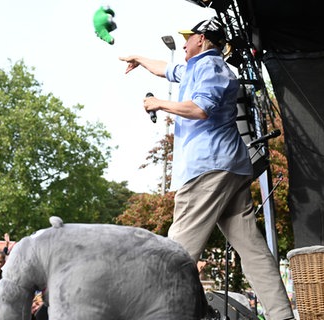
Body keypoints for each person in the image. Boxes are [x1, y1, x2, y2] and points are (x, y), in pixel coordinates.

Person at [120, 17, 295, 320]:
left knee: (176, 250)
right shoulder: (194, 67)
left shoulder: (212, 69)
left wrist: (158, 104)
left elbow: (200, 108)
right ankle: (283, 316)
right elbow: (165, 68)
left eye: (188, 39)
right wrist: (138, 58)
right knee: (251, 250)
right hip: (228, 168)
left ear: (201, 39)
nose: (184, 44)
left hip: (209, 169)